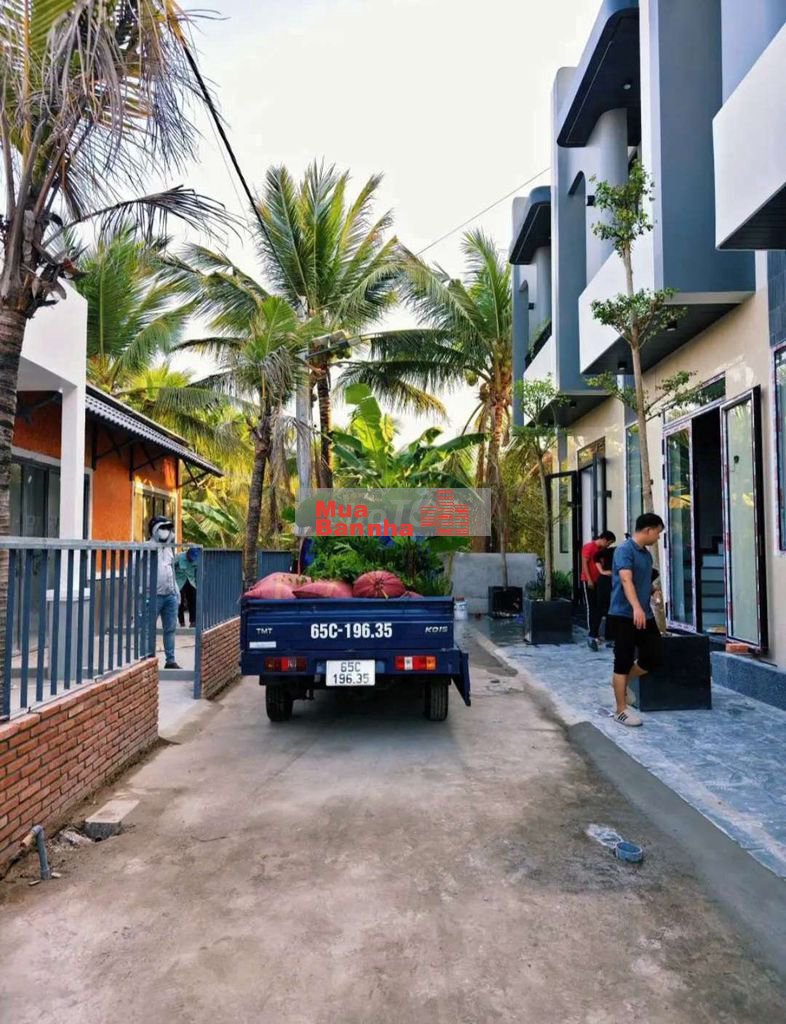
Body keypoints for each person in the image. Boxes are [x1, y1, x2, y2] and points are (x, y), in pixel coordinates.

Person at [606, 512, 665, 727]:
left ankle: (621, 681)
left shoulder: (646, 556)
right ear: (648, 530)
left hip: (643, 615)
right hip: (623, 615)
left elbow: (642, 582)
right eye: (657, 533)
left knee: (654, 656)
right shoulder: (624, 550)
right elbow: (626, 580)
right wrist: (636, 607)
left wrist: (654, 591)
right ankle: (621, 710)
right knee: (622, 661)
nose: (658, 537)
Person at [149, 515, 180, 670]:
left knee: (170, 629)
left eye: (168, 528)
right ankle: (148, 660)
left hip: (170, 596)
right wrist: (142, 591)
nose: (165, 531)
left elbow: (172, 571)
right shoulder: (146, 548)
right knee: (149, 630)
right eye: (162, 528)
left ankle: (170, 661)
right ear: (154, 529)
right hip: (152, 596)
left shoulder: (169, 550)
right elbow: (132, 571)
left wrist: (176, 591)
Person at [580, 529, 616, 651]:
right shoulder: (589, 547)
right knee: (591, 607)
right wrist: (589, 580)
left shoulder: (602, 551)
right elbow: (584, 564)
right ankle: (592, 634)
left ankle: (596, 633)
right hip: (589, 580)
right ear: (604, 539)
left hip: (600, 582)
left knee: (599, 607)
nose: (608, 546)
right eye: (609, 543)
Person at [593, 542, 615, 645]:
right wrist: (602, 571)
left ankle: (609, 635)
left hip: (612, 581)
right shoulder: (614, 551)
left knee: (611, 608)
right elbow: (596, 556)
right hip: (605, 581)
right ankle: (594, 633)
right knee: (601, 608)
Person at [176, 546, 199, 627]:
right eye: (190, 558)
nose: (191, 560)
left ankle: (193, 621)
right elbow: (171, 566)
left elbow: (197, 571)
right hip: (180, 581)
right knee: (180, 601)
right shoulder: (179, 557)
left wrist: (197, 583)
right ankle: (181, 621)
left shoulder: (197, 559)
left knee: (193, 601)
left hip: (191, 581)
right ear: (187, 553)